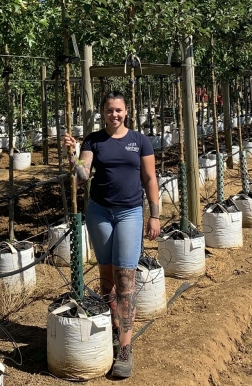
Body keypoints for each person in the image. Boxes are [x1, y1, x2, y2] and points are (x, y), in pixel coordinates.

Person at [64, 91, 160, 379]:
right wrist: (73, 155)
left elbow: (150, 178)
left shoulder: (139, 141)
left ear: (126, 112)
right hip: (99, 213)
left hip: (130, 212)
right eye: (109, 110)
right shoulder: (93, 141)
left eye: (118, 110)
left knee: (125, 278)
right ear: (103, 112)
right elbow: (83, 174)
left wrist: (154, 214)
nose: (114, 114)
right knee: (107, 276)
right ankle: (116, 329)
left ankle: (126, 349)